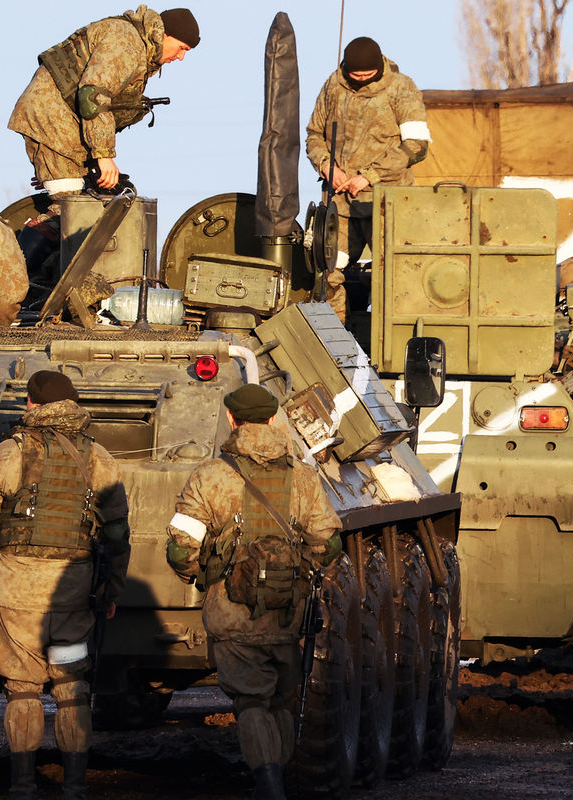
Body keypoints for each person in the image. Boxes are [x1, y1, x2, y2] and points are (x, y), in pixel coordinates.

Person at [0, 371, 130, 800]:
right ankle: (75, 788)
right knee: (71, 687)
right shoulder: (100, 458)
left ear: (31, 404)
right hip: (73, 592)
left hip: (16, 591)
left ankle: (23, 787)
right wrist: (112, 588)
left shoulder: (9, 452)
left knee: (23, 689)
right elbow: (117, 533)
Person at [164, 384, 342, 800]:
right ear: (274, 419)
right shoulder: (304, 476)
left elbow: (181, 549)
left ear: (232, 419)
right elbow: (328, 544)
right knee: (279, 700)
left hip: (232, 615)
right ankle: (278, 778)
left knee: (251, 702)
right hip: (287, 615)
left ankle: (269, 785)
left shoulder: (211, 476)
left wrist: (203, 578)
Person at [9, 6, 200, 198]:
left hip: (65, 122)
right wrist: (103, 155)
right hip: (53, 119)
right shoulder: (127, 43)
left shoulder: (137, 46)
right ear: (165, 35)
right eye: (182, 48)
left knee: (95, 200)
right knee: (71, 207)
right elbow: (93, 96)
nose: (181, 57)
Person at [305, 36, 431, 323]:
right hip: (340, 204)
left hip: (386, 202)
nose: (361, 79)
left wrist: (370, 176)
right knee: (327, 273)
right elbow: (314, 135)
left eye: (367, 74)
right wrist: (326, 166)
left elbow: (416, 145)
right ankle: (333, 334)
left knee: (394, 275)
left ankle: (393, 341)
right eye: (355, 74)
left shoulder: (402, 88)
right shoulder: (333, 85)